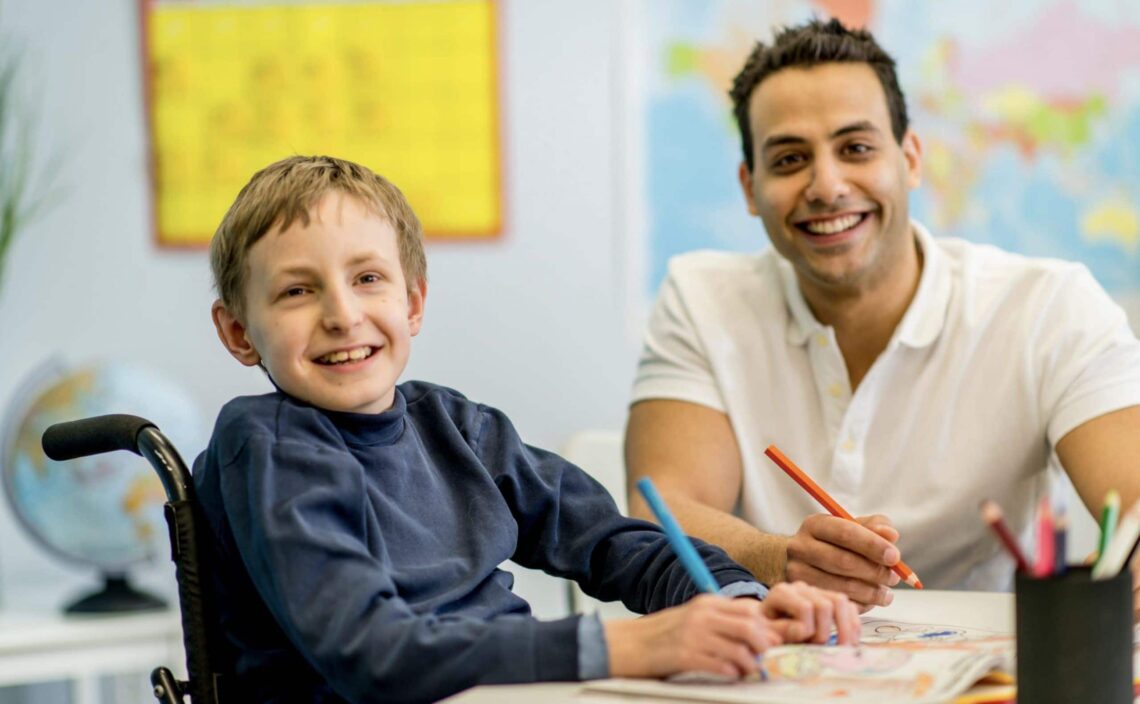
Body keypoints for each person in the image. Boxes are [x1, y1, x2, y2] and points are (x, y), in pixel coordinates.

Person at [193, 155, 860, 703]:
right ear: (238, 332)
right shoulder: (265, 446)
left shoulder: (455, 426)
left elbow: (609, 539)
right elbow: (373, 655)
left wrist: (740, 598)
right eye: (296, 291)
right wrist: (630, 645)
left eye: (368, 278)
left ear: (413, 301)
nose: (342, 315)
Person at [625, 18, 1140, 615]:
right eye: (790, 159)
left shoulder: (1051, 306)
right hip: (774, 664)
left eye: (856, 148)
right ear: (749, 186)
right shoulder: (699, 298)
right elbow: (661, 510)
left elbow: (1132, 499)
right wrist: (776, 558)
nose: (827, 185)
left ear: (911, 158)